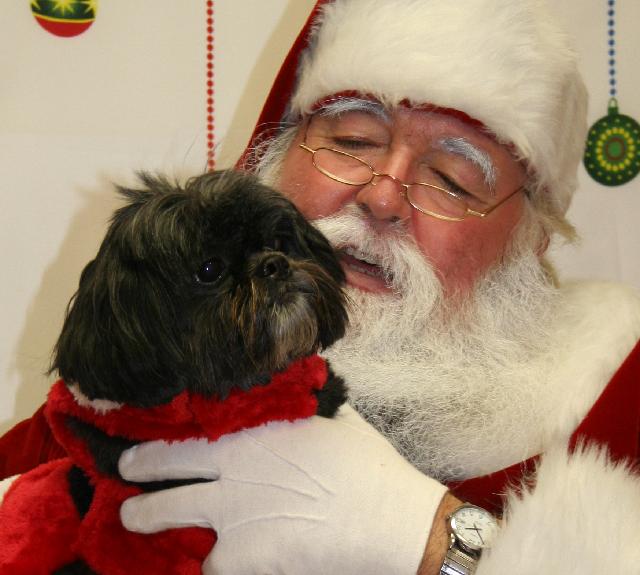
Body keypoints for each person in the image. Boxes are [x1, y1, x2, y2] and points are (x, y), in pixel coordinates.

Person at [2, 0, 640, 573]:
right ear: (273, 155)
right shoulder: (136, 377)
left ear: (531, 242)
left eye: (452, 178)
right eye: (352, 140)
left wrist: (437, 542)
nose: (383, 196)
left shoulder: (611, 400)